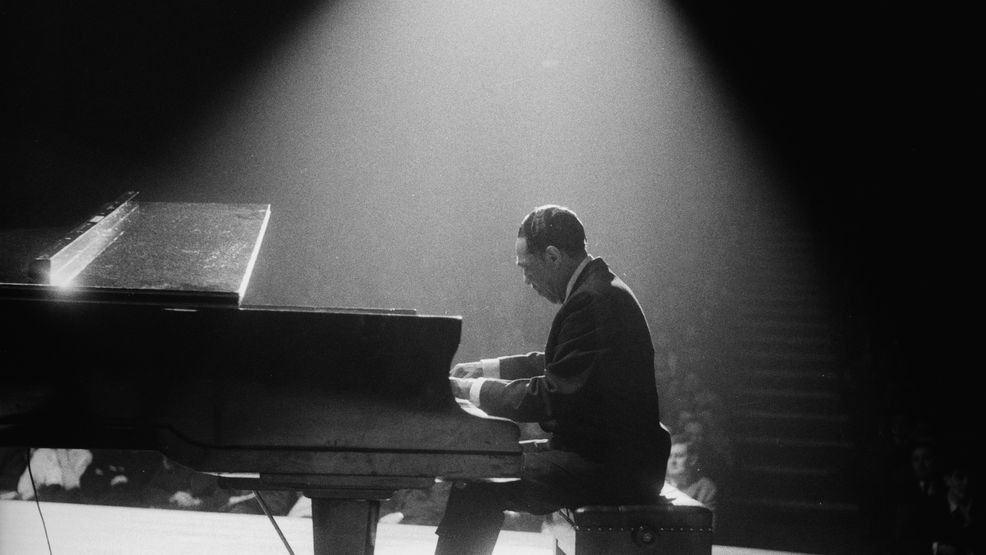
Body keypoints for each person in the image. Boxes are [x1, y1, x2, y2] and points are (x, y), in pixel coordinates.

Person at [439, 205, 670, 555]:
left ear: (552, 256)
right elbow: (563, 364)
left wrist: (470, 391)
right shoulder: (599, 288)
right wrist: (487, 369)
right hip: (614, 458)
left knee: (478, 479)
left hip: (611, 468)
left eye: (526, 268)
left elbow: (553, 394)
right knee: (481, 467)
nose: (525, 281)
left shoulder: (591, 300)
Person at [665, 433, 718, 520]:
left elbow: (708, 526)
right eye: (669, 456)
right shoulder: (658, 485)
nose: (673, 461)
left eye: (679, 456)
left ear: (692, 460)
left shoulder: (705, 488)